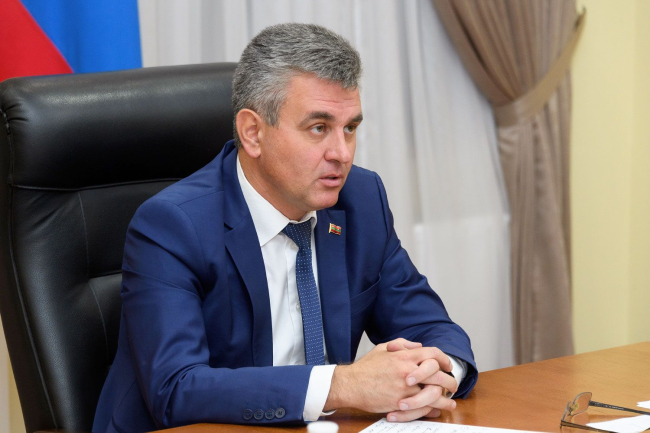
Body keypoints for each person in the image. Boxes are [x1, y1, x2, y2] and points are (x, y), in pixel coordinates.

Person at [93, 23, 477, 432]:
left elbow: (430, 327)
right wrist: (342, 386)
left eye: (350, 128)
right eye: (319, 128)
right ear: (253, 133)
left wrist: (436, 373)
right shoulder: (171, 226)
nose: (342, 153)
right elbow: (176, 390)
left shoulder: (361, 199)